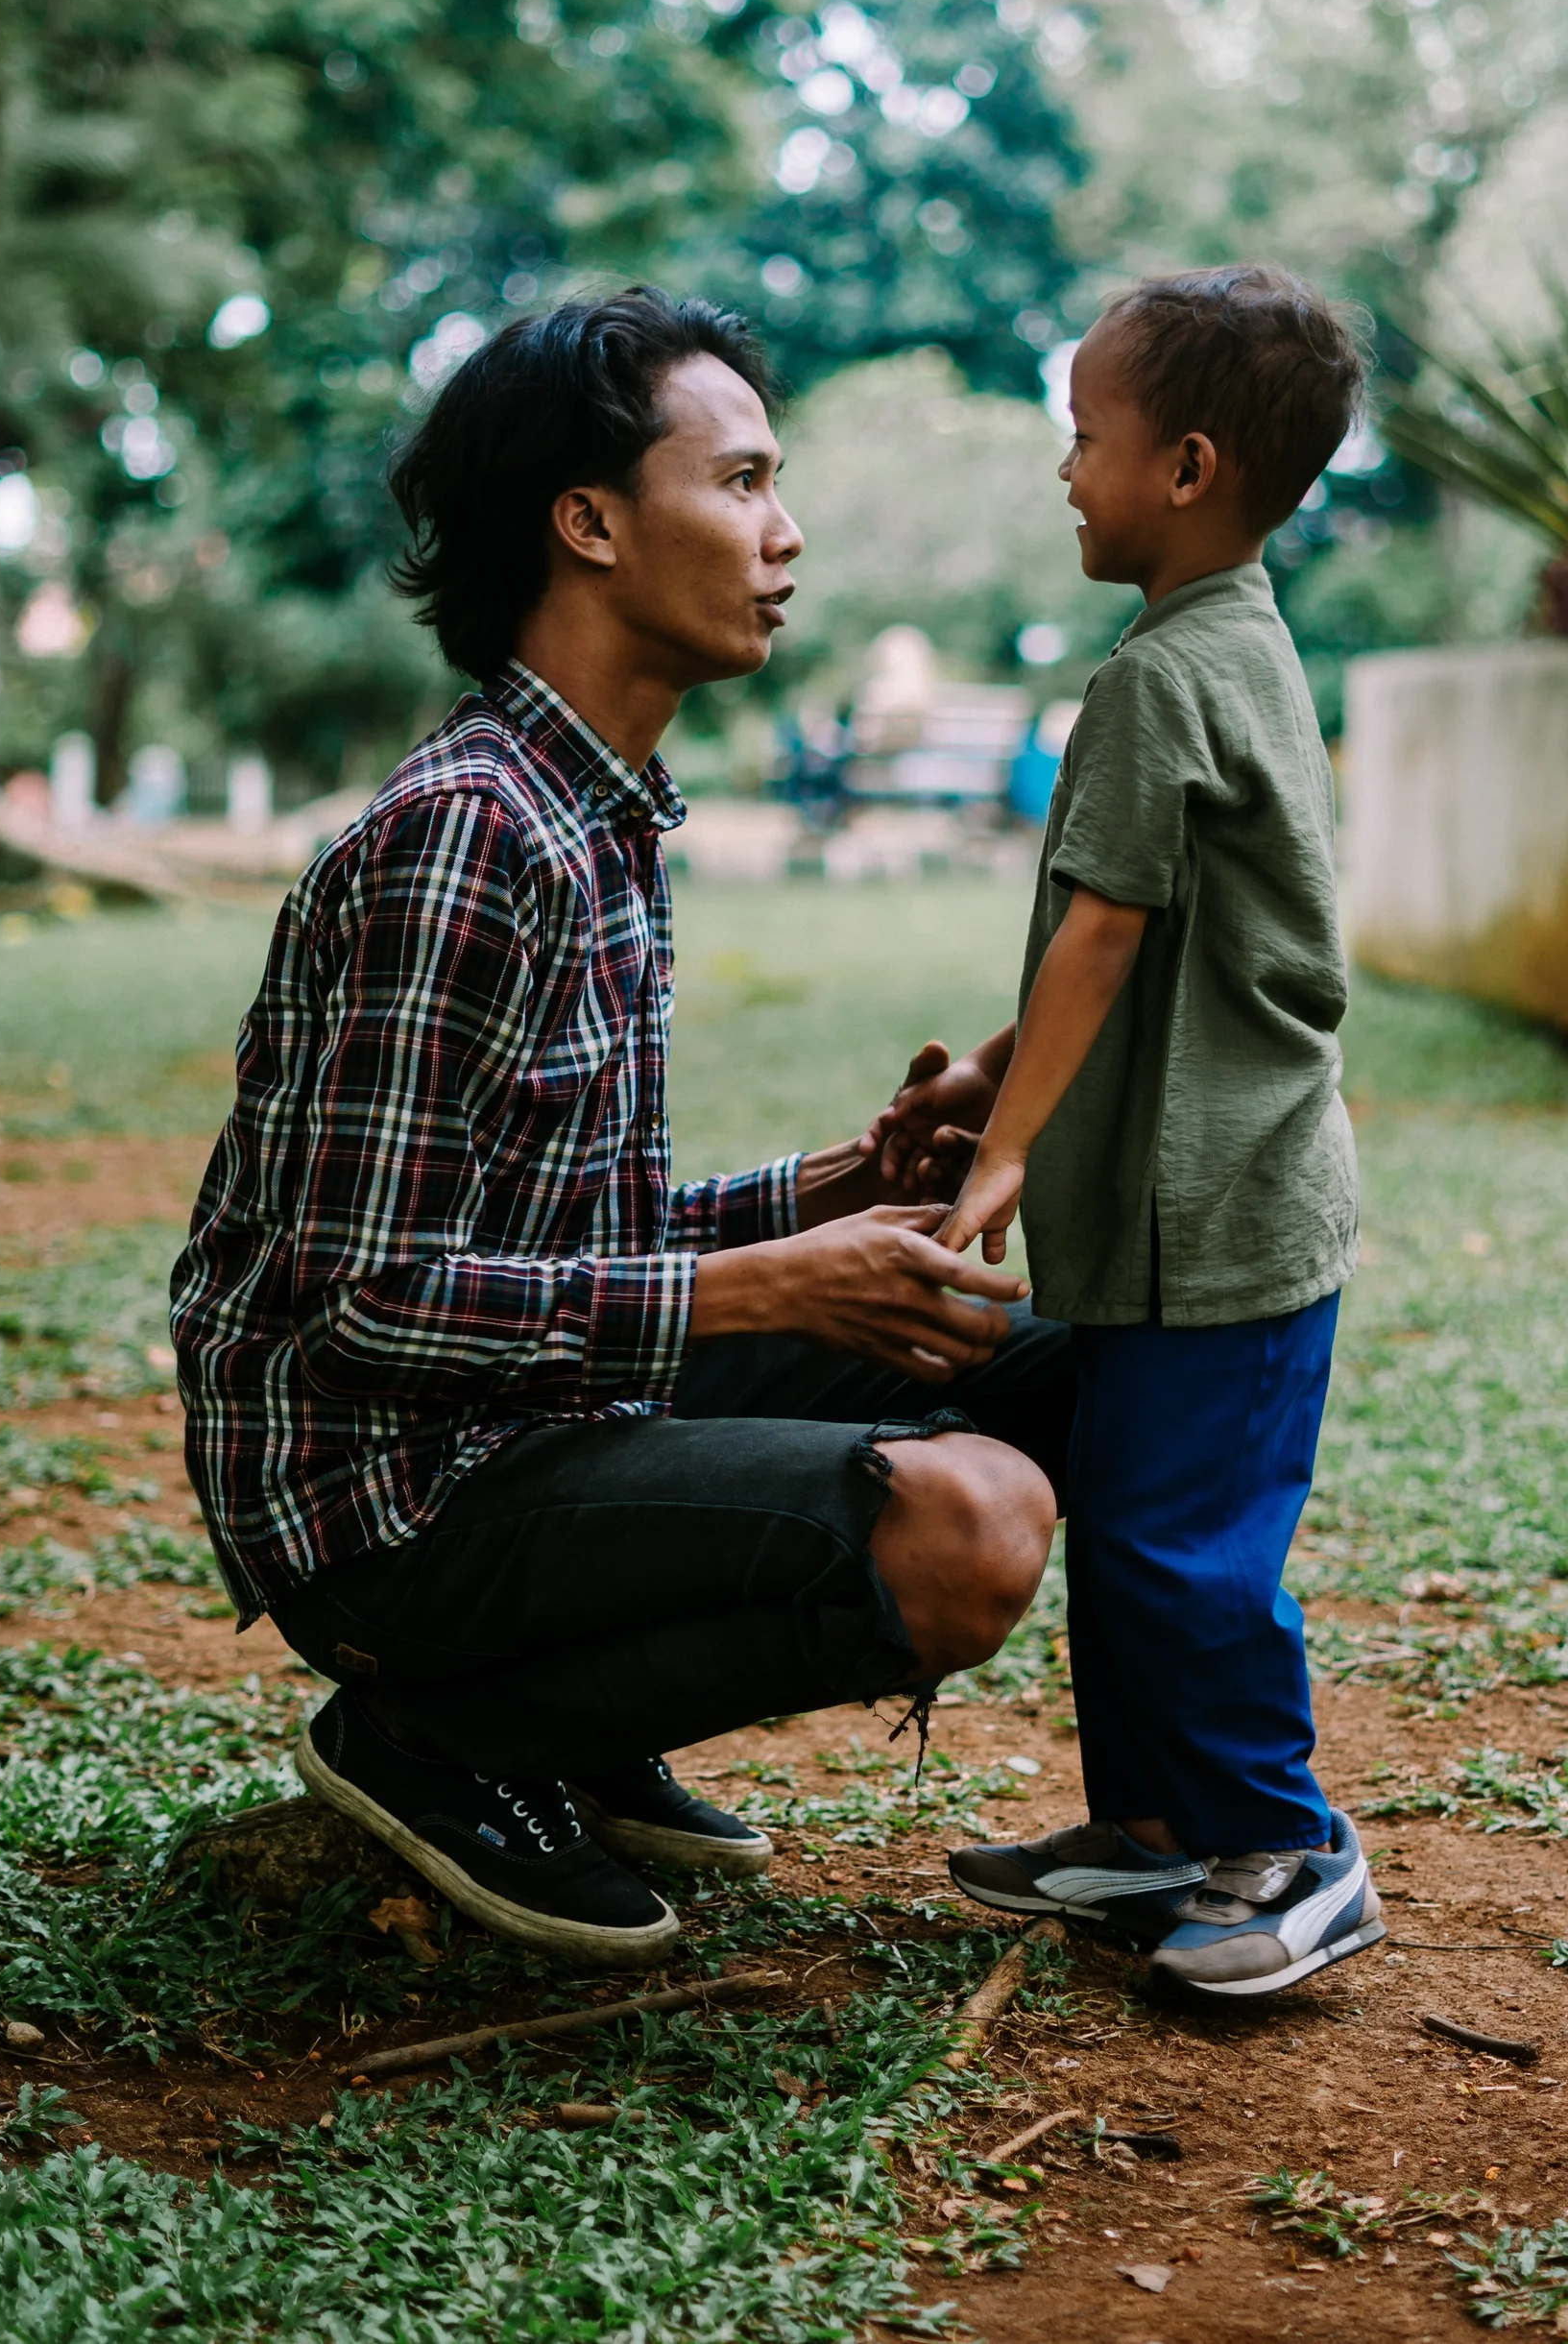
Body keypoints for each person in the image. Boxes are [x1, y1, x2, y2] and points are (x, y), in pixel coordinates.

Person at [170, 289, 1064, 1970]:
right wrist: (774, 1288)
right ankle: (447, 1731)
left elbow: (574, 1223)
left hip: (531, 1420)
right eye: (739, 483)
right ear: (587, 521)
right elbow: (362, 1297)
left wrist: (841, 1187)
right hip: (391, 1505)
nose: (785, 533)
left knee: (1047, 1344)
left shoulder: (602, 818)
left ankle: (569, 1716)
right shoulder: (470, 841)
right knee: (973, 1520)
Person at [870, 265, 1379, 2001]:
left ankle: (1289, 1847)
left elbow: (1101, 930)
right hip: (1199, 1214)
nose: (1062, 468)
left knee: (1184, 1552)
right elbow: (1135, 938)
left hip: (1223, 1221)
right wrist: (990, 1082)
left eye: (1083, 436)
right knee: (1144, 1531)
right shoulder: (1235, 649)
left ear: (1187, 467)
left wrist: (1002, 1152)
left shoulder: (1161, 681)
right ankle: (1157, 1833)